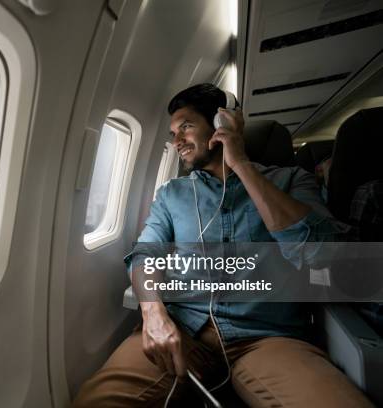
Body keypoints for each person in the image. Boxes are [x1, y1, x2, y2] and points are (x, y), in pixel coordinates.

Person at [72, 84, 374, 407]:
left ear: (221, 123)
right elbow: (146, 255)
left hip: (266, 337)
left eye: (186, 127)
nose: (176, 142)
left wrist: (241, 165)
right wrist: (153, 313)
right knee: (96, 401)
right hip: (184, 328)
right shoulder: (172, 194)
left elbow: (320, 253)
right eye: (173, 133)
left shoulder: (291, 181)